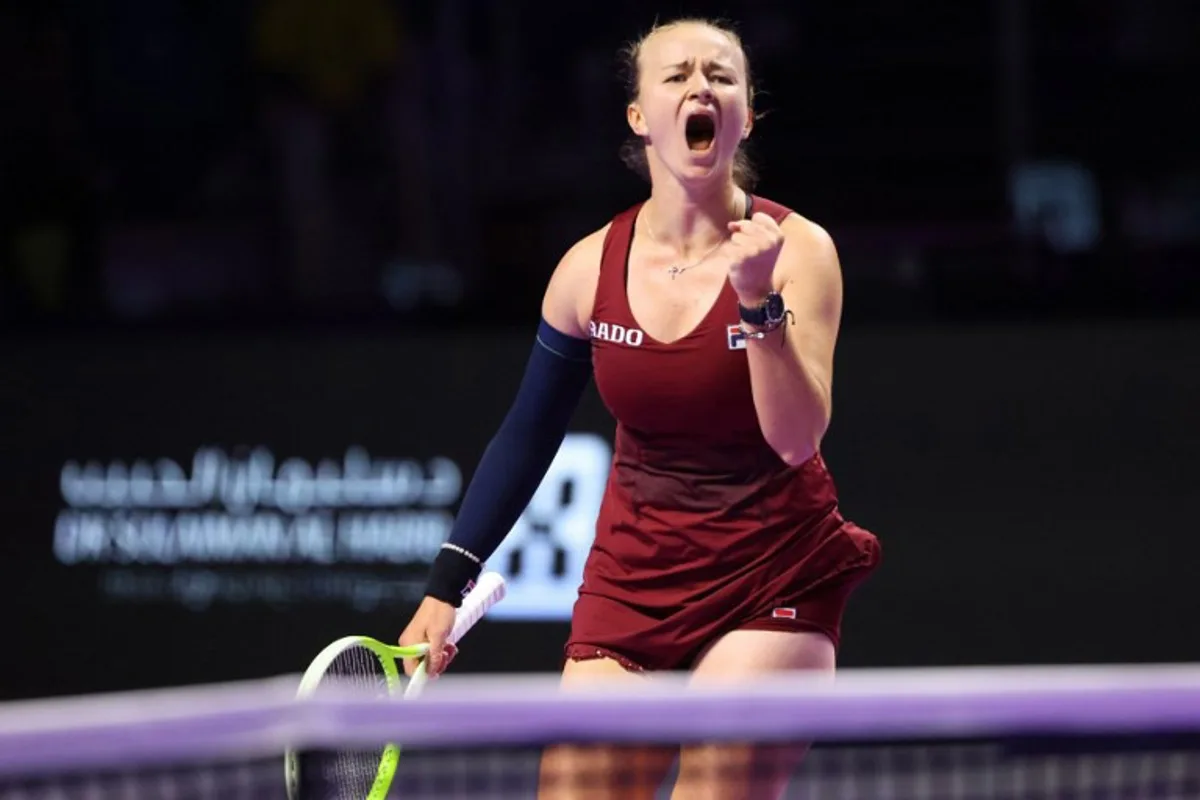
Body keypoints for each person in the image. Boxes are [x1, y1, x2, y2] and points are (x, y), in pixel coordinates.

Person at [398, 16, 882, 799]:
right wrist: (441, 591)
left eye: (722, 76)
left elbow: (796, 439)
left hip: (773, 571)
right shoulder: (586, 270)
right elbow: (527, 435)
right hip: (635, 576)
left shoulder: (800, 251)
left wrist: (756, 301)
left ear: (746, 115)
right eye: (678, 74)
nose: (702, 86)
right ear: (639, 117)